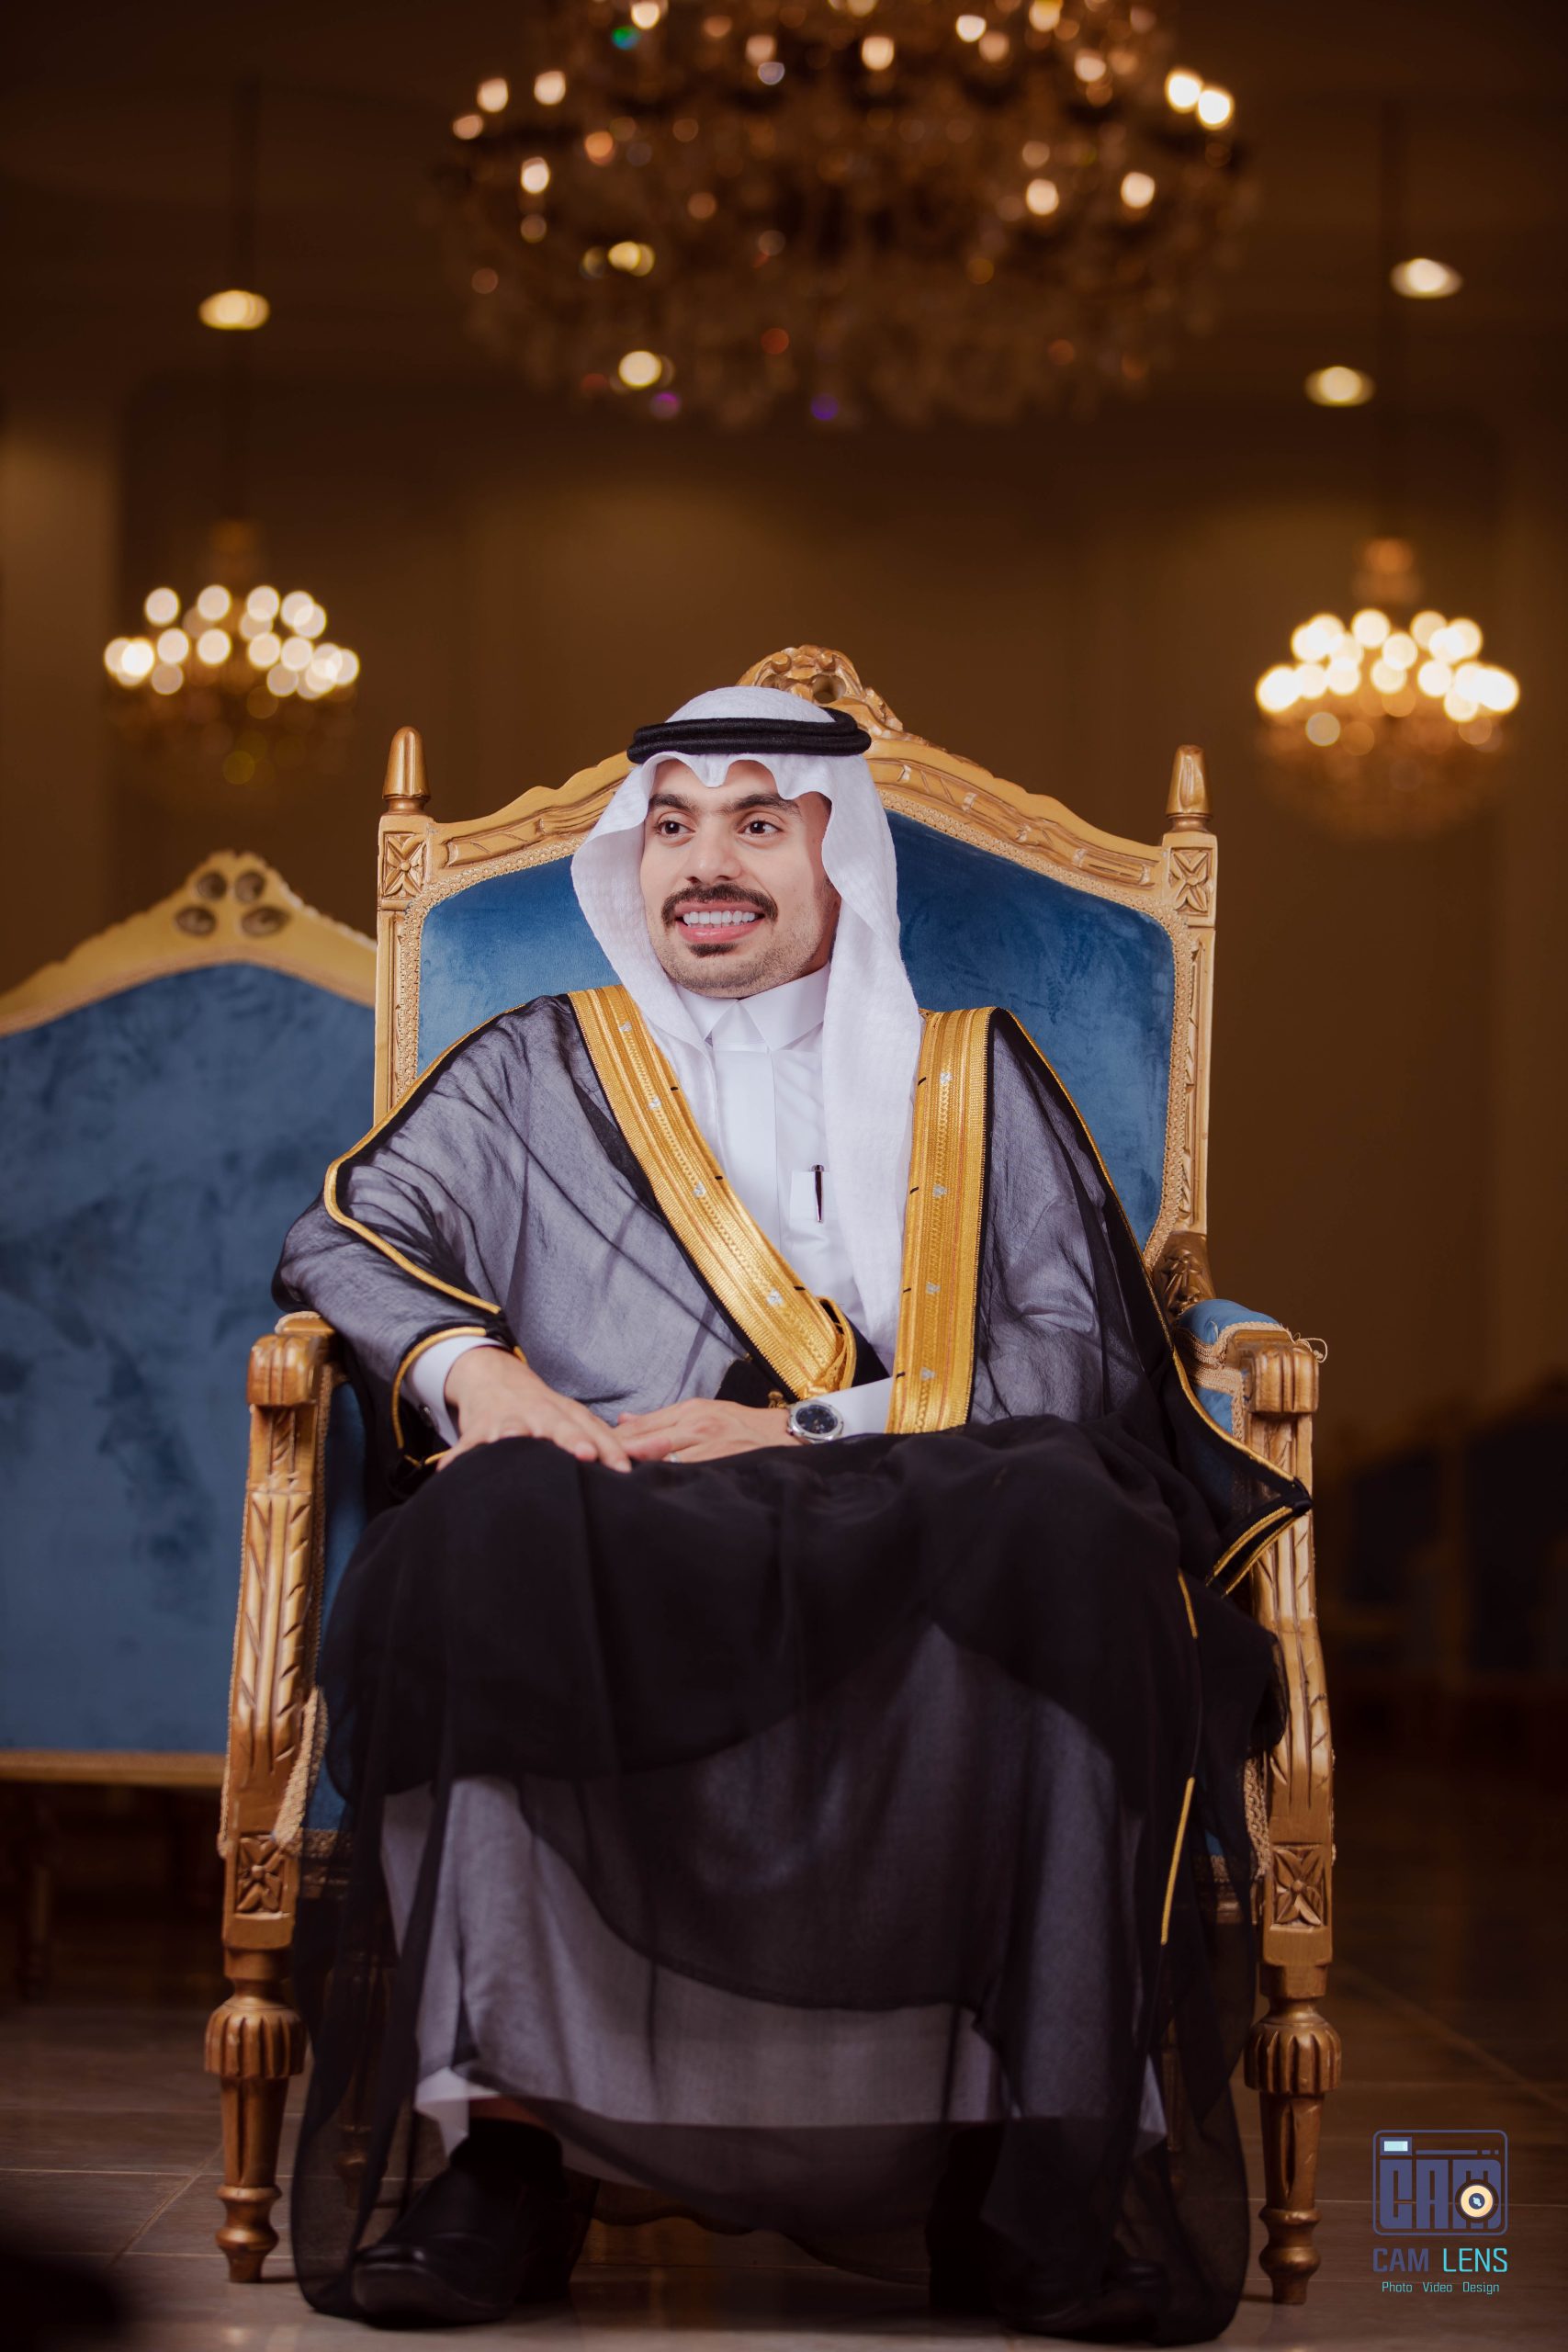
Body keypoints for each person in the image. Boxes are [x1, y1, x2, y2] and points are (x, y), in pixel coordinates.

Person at [276, 684, 1304, 2341]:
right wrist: (488, 1381)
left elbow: (1072, 1347)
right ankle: (503, 2163)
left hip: (913, 1495)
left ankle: (1027, 2180)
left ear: (843, 857)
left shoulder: (968, 1074)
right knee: (475, 1534)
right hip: (621, 1506)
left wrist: (802, 1425)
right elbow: (347, 1235)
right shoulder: (534, 1062)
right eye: (674, 827)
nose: (708, 864)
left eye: (758, 824)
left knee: (1075, 1525)